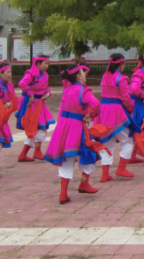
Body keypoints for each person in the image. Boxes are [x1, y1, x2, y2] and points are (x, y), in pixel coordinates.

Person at [44, 64, 100, 204]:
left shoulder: (67, 90)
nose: (85, 74)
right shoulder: (83, 91)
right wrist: (91, 115)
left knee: (66, 159)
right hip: (77, 127)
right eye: (83, 72)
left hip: (64, 127)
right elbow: (96, 104)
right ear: (78, 76)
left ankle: (63, 193)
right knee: (87, 154)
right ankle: (84, 183)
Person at [94, 54, 136, 181]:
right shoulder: (122, 79)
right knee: (128, 138)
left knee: (107, 141)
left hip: (104, 110)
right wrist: (131, 109)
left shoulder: (105, 76)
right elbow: (126, 98)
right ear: (121, 64)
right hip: (116, 111)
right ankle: (121, 168)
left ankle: (105, 173)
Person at [16, 55, 55, 162]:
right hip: (31, 102)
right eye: (44, 63)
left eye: (48, 64)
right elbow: (22, 84)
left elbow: (46, 88)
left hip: (39, 103)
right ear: (38, 64)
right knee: (36, 127)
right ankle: (35, 152)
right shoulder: (31, 73)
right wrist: (30, 94)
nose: (47, 66)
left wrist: (48, 93)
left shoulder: (45, 75)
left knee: (40, 127)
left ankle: (27, 153)